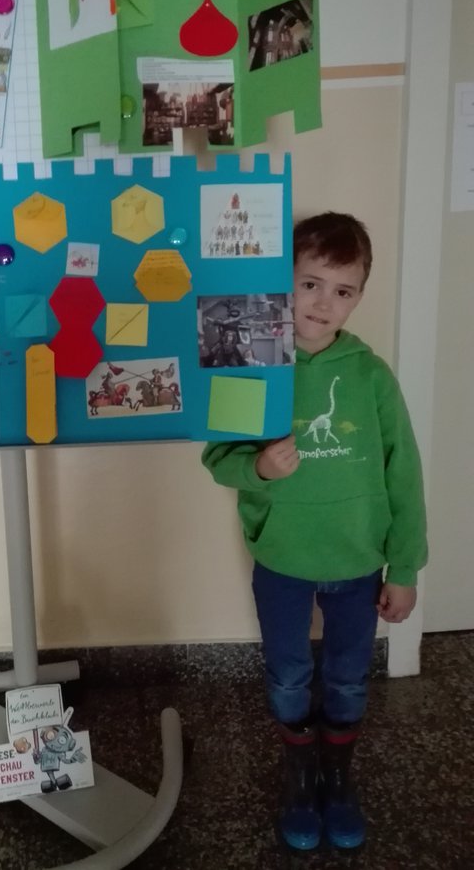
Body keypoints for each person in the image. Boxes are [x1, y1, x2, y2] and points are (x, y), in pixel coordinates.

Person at [202, 212, 427, 852]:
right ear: (285, 282)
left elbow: (404, 474)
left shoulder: (371, 375)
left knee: (351, 676)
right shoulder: (250, 363)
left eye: (343, 290)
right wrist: (259, 468)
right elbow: (218, 459)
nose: (324, 303)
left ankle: (337, 777)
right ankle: (300, 777)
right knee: (288, 674)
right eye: (310, 284)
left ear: (358, 297)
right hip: (283, 560)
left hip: (360, 564)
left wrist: (404, 568)